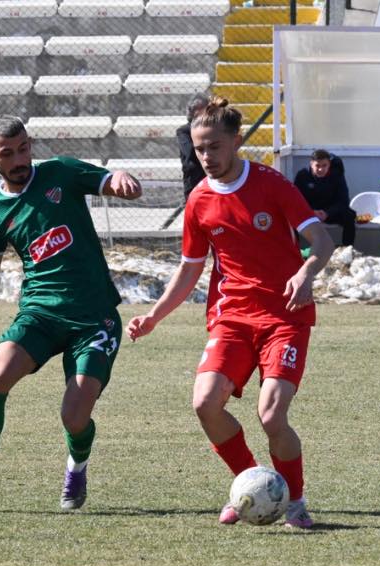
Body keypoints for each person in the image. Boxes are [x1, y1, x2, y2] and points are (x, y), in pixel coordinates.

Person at [126, 97, 334, 529]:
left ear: (236, 142)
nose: (207, 157)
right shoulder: (199, 201)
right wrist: (154, 317)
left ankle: (294, 502)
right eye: (200, 148)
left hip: (285, 316)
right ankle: (250, 482)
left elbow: (322, 240)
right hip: (232, 318)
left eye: (215, 147)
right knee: (205, 403)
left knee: (272, 414)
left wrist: (306, 272)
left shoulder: (272, 185)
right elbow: (189, 269)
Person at [0, 115, 141, 509]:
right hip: (40, 314)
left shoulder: (61, 173)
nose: (19, 159)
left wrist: (119, 177)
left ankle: (76, 470)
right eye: (7, 153)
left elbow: (106, 179)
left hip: (93, 318)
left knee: (74, 415)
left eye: (23, 149)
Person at [294, 149, 355, 247]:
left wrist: (328, 213)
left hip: (329, 212)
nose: (321, 169)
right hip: (309, 213)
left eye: (324, 165)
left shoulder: (337, 175)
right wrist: (311, 211)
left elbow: (343, 201)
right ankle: (295, 251)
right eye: (317, 166)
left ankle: (347, 250)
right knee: (291, 217)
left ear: (329, 164)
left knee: (349, 215)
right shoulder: (303, 176)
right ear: (311, 164)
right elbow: (296, 201)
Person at [177, 93, 210, 199]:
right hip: (194, 179)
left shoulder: (213, 129)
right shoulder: (184, 131)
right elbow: (190, 152)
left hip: (211, 177)